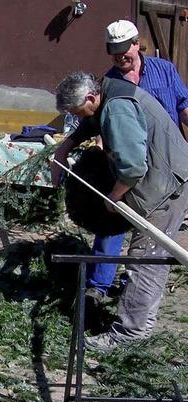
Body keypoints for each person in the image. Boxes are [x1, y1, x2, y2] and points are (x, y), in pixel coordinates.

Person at [53, 71, 188, 351]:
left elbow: (133, 167)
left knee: (145, 260)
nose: (78, 118)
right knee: (144, 257)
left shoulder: (117, 110)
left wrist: (113, 197)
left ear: (91, 96)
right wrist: (64, 148)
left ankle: (130, 334)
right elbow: (91, 121)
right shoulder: (108, 91)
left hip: (166, 187)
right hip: (163, 176)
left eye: (77, 112)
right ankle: (135, 324)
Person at [80, 19, 188, 305]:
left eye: (124, 49)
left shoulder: (164, 71)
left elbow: (183, 107)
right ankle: (98, 286)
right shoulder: (109, 82)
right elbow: (99, 123)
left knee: (150, 231)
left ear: (137, 44)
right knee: (114, 218)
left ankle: (134, 287)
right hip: (130, 162)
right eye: (113, 50)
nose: (119, 55)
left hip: (162, 164)